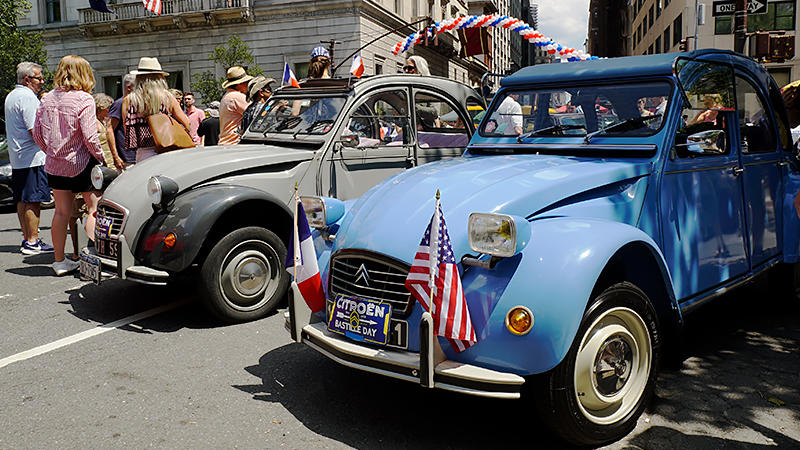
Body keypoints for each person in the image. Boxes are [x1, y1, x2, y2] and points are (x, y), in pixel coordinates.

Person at [32, 55, 106, 276]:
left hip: (55, 163)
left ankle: (59, 261)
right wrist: (100, 157)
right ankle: (91, 260)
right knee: (93, 209)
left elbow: (37, 134)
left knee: (61, 212)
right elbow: (90, 137)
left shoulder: (46, 99)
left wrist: (51, 151)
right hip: (82, 161)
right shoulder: (84, 99)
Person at [4, 61, 54, 255]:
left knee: (22, 200)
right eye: (38, 78)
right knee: (33, 201)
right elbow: (36, 130)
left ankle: (27, 239)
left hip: (18, 157)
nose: (42, 81)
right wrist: (51, 150)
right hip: (33, 157)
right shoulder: (28, 97)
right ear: (27, 80)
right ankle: (32, 241)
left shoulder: (12, 96)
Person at [123, 57, 190, 162]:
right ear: (160, 78)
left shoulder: (129, 100)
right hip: (166, 150)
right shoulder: (167, 98)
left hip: (143, 153)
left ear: (139, 78)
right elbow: (187, 123)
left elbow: (126, 129)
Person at [108, 73, 136, 169]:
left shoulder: (136, 103)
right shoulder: (119, 104)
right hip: (127, 159)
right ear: (129, 87)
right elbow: (110, 129)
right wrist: (115, 157)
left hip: (138, 156)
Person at [218, 66, 253, 145]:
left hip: (226, 142)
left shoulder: (227, 96)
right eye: (246, 82)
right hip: (235, 142)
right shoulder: (237, 97)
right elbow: (256, 113)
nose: (247, 85)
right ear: (239, 84)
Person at [93, 93, 118, 169]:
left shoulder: (105, 121)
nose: (110, 110)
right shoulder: (94, 122)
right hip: (102, 163)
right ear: (101, 107)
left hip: (110, 161)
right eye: (108, 108)